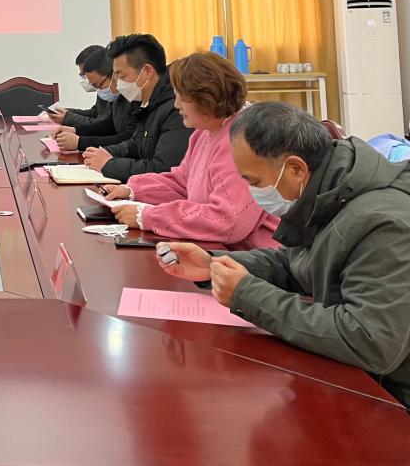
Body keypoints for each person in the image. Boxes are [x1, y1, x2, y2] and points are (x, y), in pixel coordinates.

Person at [159, 102, 410, 407]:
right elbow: (297, 264)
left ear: (295, 169)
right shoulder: (329, 191)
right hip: (354, 377)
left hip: (389, 398)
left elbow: (371, 341)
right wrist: (213, 264)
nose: (252, 192)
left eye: (254, 182)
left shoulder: (383, 224)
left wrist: (247, 295)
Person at [101, 53, 279, 250]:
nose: (176, 104)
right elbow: (182, 182)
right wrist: (133, 190)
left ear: (207, 98)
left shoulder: (240, 141)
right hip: (219, 250)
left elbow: (228, 220)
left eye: (182, 98)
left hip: (253, 256)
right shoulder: (203, 133)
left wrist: (148, 217)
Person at [82, 34, 193, 181]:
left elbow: (163, 169)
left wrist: (109, 164)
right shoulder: (147, 100)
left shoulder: (176, 108)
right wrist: (105, 152)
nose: (118, 84)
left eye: (121, 76)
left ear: (147, 71)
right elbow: (136, 144)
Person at [49, 46, 136, 152]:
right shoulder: (117, 95)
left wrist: (80, 142)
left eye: (97, 85)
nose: (97, 89)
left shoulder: (133, 96)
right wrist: (75, 130)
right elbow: (108, 125)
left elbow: (129, 139)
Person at [48, 45, 110, 129]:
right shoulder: (102, 89)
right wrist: (67, 112)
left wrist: (68, 117)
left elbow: (104, 125)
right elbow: (95, 112)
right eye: (82, 74)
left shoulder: (111, 90)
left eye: (84, 73)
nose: (86, 79)